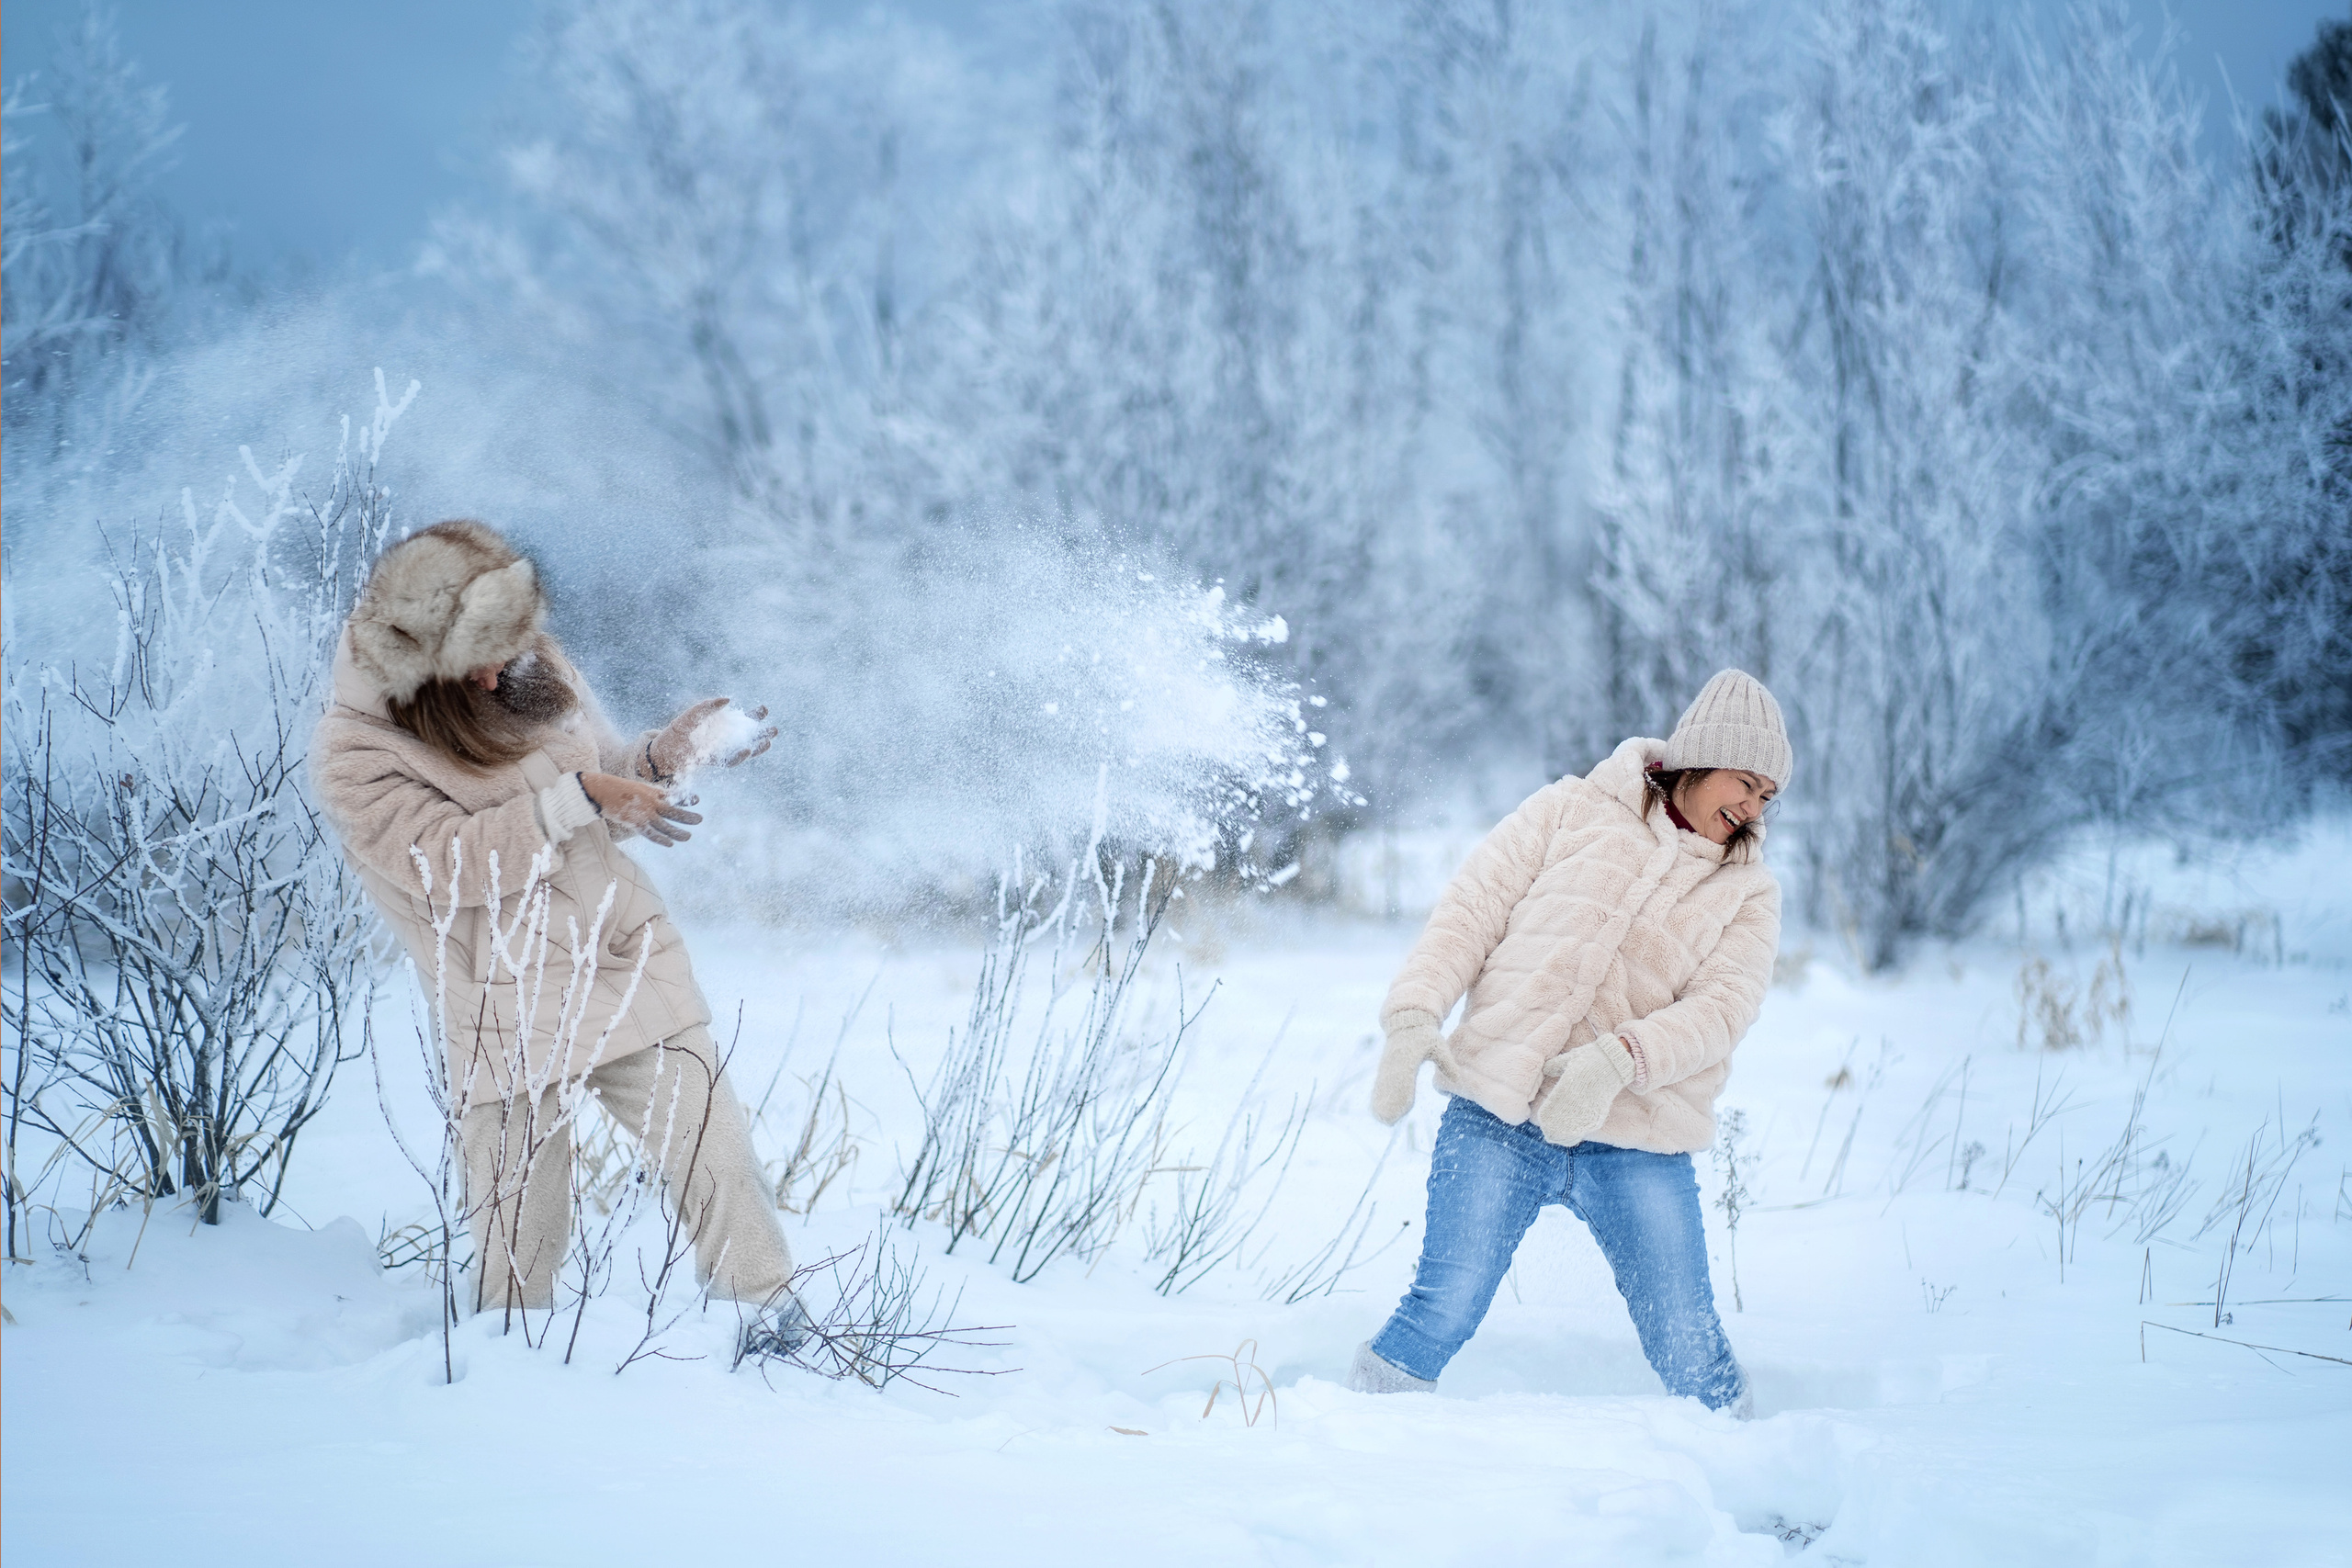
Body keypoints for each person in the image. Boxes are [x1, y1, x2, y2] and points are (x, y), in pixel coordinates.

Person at [311, 519, 808, 1359]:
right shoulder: (357, 749)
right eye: (479, 656)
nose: (501, 671)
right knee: (521, 1250)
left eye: (508, 643)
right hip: (502, 1000)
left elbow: (603, 776)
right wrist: (580, 797)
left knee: (717, 1152)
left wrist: (660, 758)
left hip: (621, 956)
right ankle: (513, 1381)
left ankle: (773, 1332)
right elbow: (444, 864)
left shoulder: (528, 667)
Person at [1351, 669, 1789, 1415]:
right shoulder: (1569, 809)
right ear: (1697, 758)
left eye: (1767, 796)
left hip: (1637, 1135)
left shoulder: (1747, 891)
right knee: (1442, 1306)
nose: (1752, 807)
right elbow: (1472, 910)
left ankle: (1751, 1459)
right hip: (1499, 1111)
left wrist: (1622, 1058)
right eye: (1744, 782)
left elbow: (1723, 1009)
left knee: (1687, 1342)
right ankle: (1352, 1438)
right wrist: (1415, 1013)